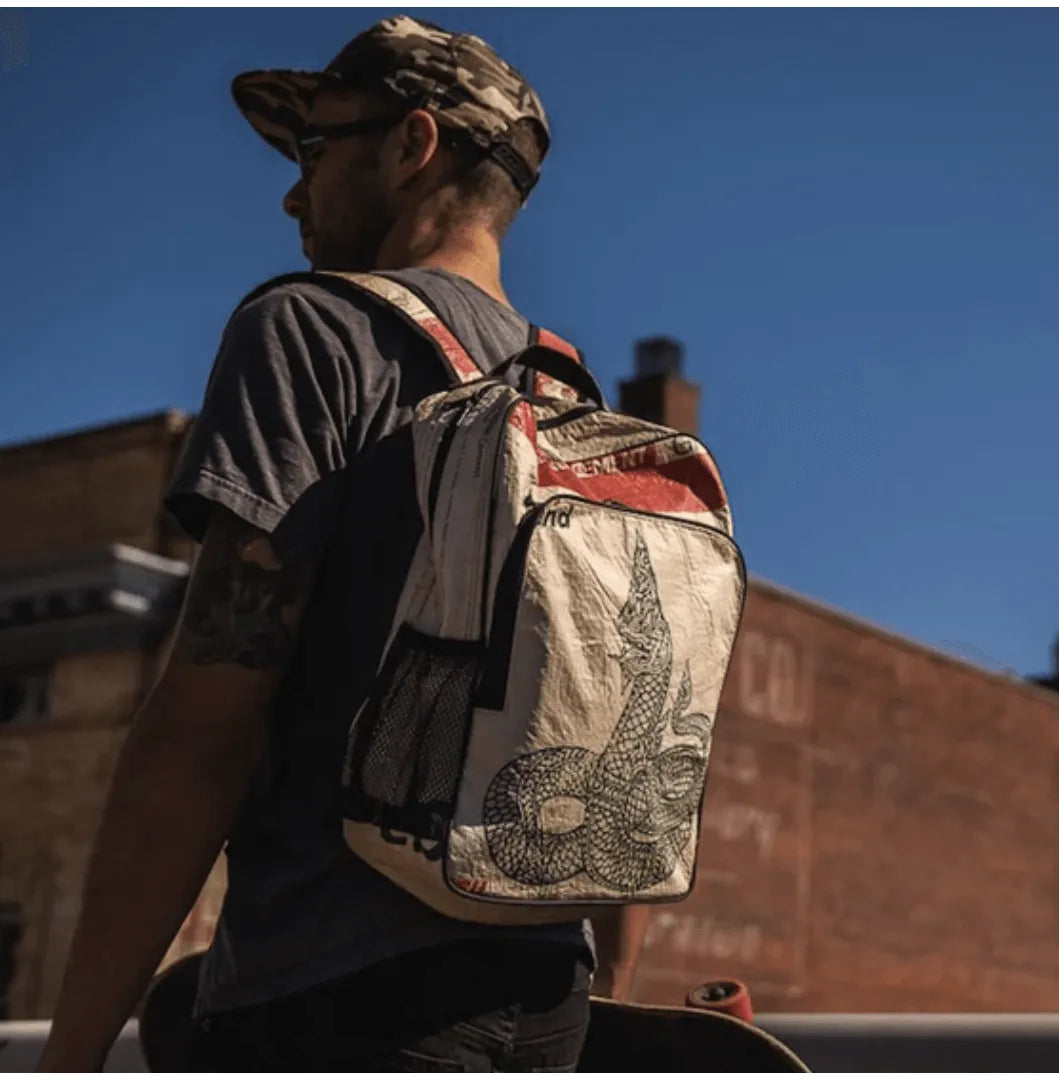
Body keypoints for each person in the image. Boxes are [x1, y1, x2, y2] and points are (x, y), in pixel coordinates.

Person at [39, 15, 646, 1072]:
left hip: (338, 998)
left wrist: (73, 1052)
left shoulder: (316, 333)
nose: (291, 193)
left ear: (412, 146)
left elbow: (204, 725)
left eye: (315, 152)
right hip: (545, 1003)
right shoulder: (573, 400)